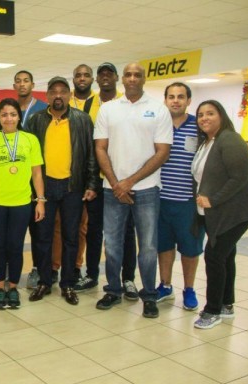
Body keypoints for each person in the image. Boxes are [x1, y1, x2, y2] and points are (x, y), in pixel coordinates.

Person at [94, 62, 172, 319]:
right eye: (128, 74)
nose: (132, 78)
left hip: (147, 190)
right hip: (112, 190)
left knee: (148, 247)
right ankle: (114, 290)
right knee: (113, 244)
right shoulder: (108, 109)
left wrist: (130, 182)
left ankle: (149, 295)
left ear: (144, 79)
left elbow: (162, 153)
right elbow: (100, 148)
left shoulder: (158, 109)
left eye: (137, 75)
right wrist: (117, 184)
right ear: (122, 79)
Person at [25, 76, 100, 305]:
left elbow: (90, 154)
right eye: (53, 92)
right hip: (44, 187)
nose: (58, 95)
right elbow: (29, 157)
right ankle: (45, 282)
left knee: (71, 237)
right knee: (42, 237)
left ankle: (67, 284)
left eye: (63, 92)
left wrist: (91, 184)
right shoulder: (36, 120)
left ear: (69, 95)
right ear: (47, 96)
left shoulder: (83, 120)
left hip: (72, 187)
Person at [192, 100, 248, 329]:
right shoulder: (207, 142)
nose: (204, 118)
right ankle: (226, 305)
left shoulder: (230, 139)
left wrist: (213, 199)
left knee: (213, 255)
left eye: (210, 113)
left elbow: (239, 177)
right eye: (201, 114)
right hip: (218, 212)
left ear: (221, 115)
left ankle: (212, 310)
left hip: (236, 211)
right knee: (225, 255)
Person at [72, 63, 138, 301]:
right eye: (102, 75)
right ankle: (92, 274)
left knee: (126, 231)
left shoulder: (125, 103)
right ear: (97, 80)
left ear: (117, 78)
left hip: (122, 179)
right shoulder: (89, 105)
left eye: (110, 74)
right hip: (97, 180)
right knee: (94, 230)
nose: (106, 78)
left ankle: (128, 278)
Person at [0, 98, 45, 309]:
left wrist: (40, 200)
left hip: (21, 202)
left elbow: (37, 173)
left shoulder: (30, 139)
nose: (8, 118)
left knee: (15, 247)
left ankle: (13, 287)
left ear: (18, 117)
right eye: (4, 114)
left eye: (13, 114)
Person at [156, 82, 205, 311]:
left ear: (188, 101)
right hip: (160, 199)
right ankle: (165, 286)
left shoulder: (198, 127)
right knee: (164, 246)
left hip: (189, 202)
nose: (176, 100)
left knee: (190, 247)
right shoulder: (157, 124)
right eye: (171, 96)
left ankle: (189, 289)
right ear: (165, 100)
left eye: (181, 96)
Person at [13, 70, 48, 289]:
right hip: (13, 181)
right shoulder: (8, 109)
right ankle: (11, 269)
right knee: (14, 230)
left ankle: (37, 269)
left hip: (35, 178)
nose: (22, 84)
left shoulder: (43, 109)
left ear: (33, 84)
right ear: (14, 85)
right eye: (18, 81)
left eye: (26, 81)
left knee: (38, 231)